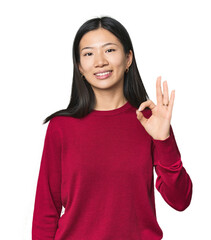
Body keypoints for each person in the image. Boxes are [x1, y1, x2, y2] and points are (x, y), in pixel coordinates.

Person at [32, 16, 193, 240]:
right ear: (80, 66)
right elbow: (45, 211)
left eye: (109, 50)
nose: (100, 61)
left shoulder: (150, 121)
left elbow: (180, 200)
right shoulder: (61, 127)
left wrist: (164, 140)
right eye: (89, 53)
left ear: (128, 58)